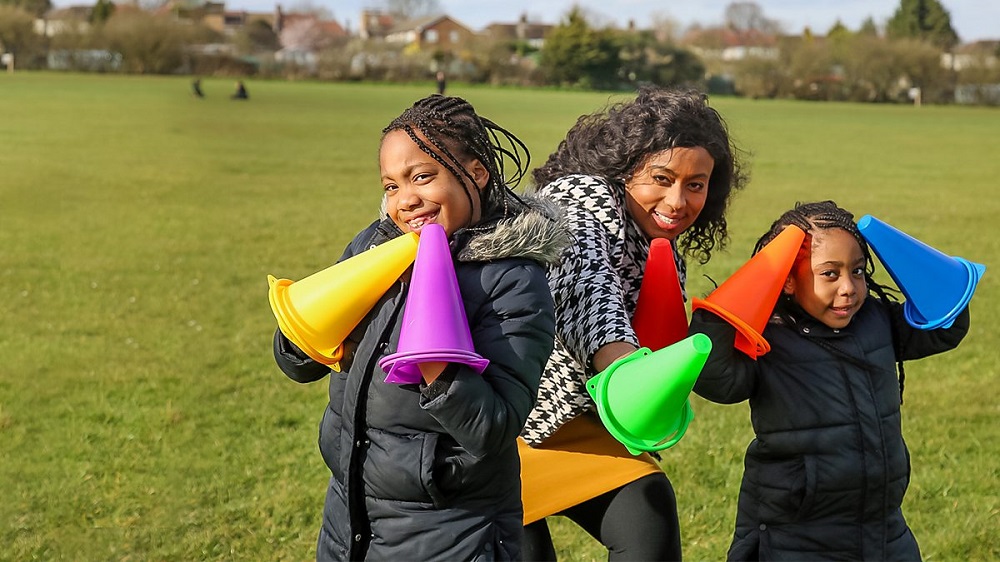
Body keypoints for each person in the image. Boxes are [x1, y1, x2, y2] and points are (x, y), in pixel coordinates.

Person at [272, 94, 570, 561]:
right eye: (391, 185)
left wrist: (437, 364)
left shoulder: (512, 279)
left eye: (422, 177)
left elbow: (495, 428)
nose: (405, 200)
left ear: (475, 173)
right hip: (351, 518)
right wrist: (308, 341)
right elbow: (298, 360)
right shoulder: (375, 245)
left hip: (452, 532)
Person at [519, 86, 749, 561]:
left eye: (696, 184)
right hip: (499, 425)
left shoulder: (661, 247)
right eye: (660, 178)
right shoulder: (577, 201)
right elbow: (583, 277)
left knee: (648, 513)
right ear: (622, 171)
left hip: (582, 428)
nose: (677, 200)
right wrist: (621, 365)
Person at [688, 200, 972, 560]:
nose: (849, 287)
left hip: (883, 529)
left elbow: (944, 328)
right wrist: (719, 316)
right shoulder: (770, 338)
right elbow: (717, 381)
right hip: (796, 535)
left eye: (857, 271)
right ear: (788, 280)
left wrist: (911, 261)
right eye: (830, 274)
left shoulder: (876, 320)